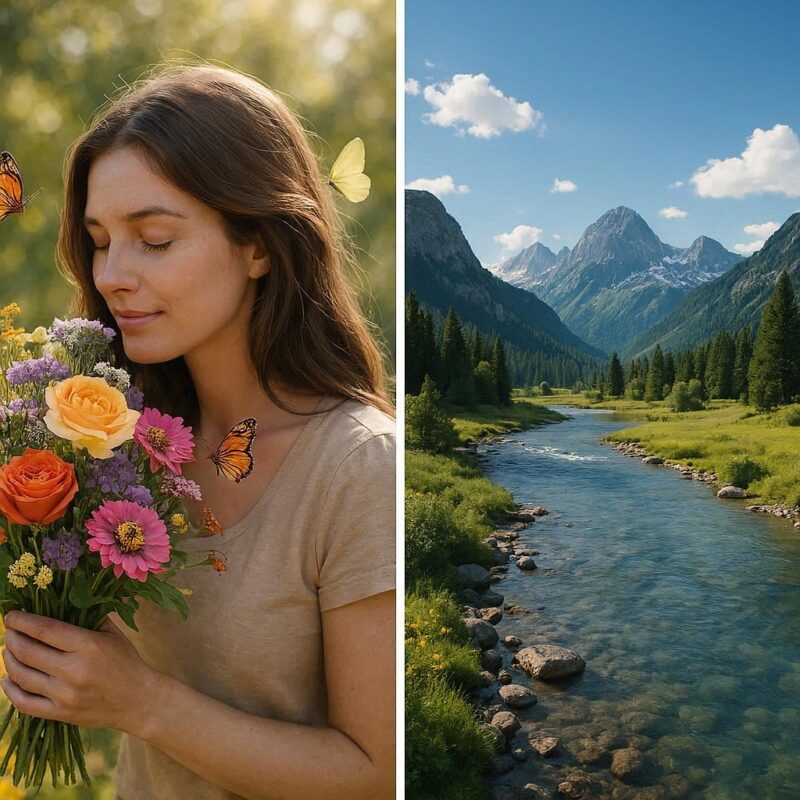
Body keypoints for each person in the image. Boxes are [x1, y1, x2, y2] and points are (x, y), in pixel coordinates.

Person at [0, 64, 395, 800]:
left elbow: (379, 774)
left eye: (153, 239)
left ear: (259, 246)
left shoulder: (359, 465)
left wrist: (141, 703)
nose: (113, 274)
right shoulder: (111, 443)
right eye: (99, 240)